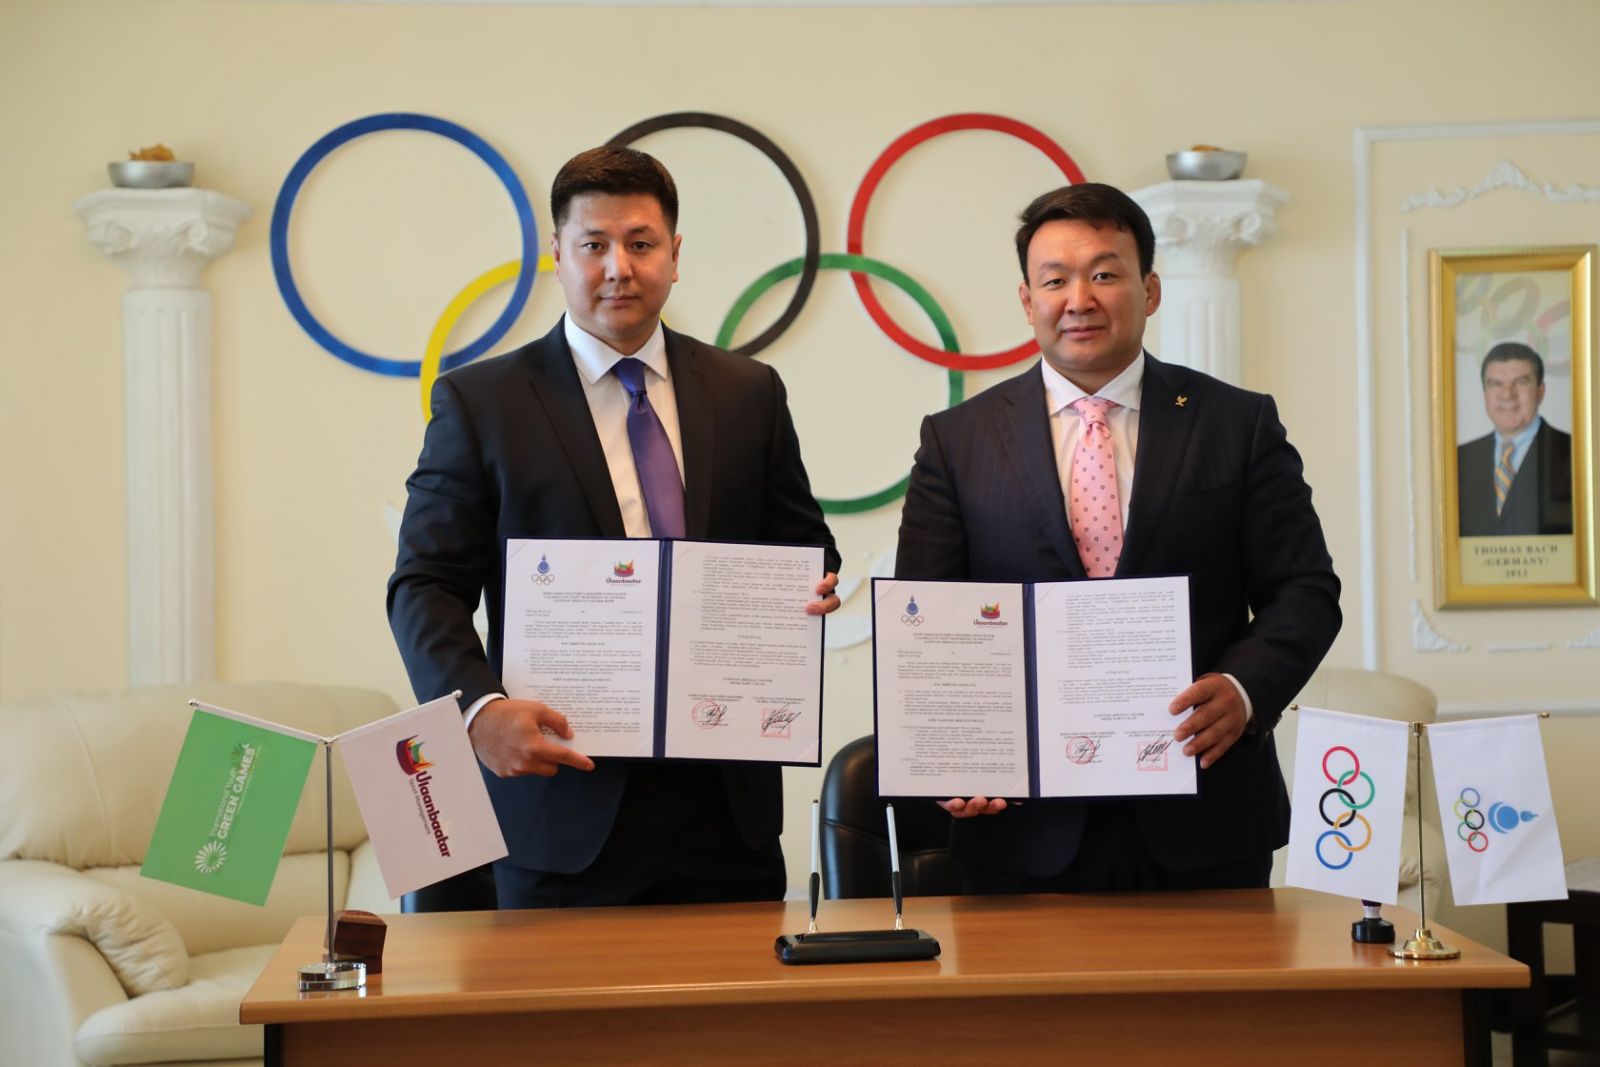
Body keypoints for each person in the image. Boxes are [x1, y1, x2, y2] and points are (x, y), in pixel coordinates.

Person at [388, 146, 841, 909]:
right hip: (561, 803)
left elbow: (804, 548)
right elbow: (424, 584)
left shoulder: (748, 392)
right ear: (557, 254)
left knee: (734, 995)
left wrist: (813, 585)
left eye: (641, 243)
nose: (618, 267)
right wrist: (476, 710)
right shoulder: (483, 402)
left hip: (726, 807)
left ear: (675, 254)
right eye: (593, 244)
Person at [895, 182, 1341, 892]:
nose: (1080, 299)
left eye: (1104, 274)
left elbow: (1305, 589)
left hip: (1204, 810)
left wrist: (1244, 688)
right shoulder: (958, 441)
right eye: (1055, 280)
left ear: (1150, 289)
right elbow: (927, 616)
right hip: (1021, 824)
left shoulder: (1236, 423)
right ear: (1027, 300)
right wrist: (951, 752)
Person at [1456, 342, 1573, 537]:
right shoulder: (1460, 459)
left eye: (1521, 382)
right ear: (1485, 394)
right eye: (1496, 384)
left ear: (1541, 391)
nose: (1507, 394)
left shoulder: (1576, 454)